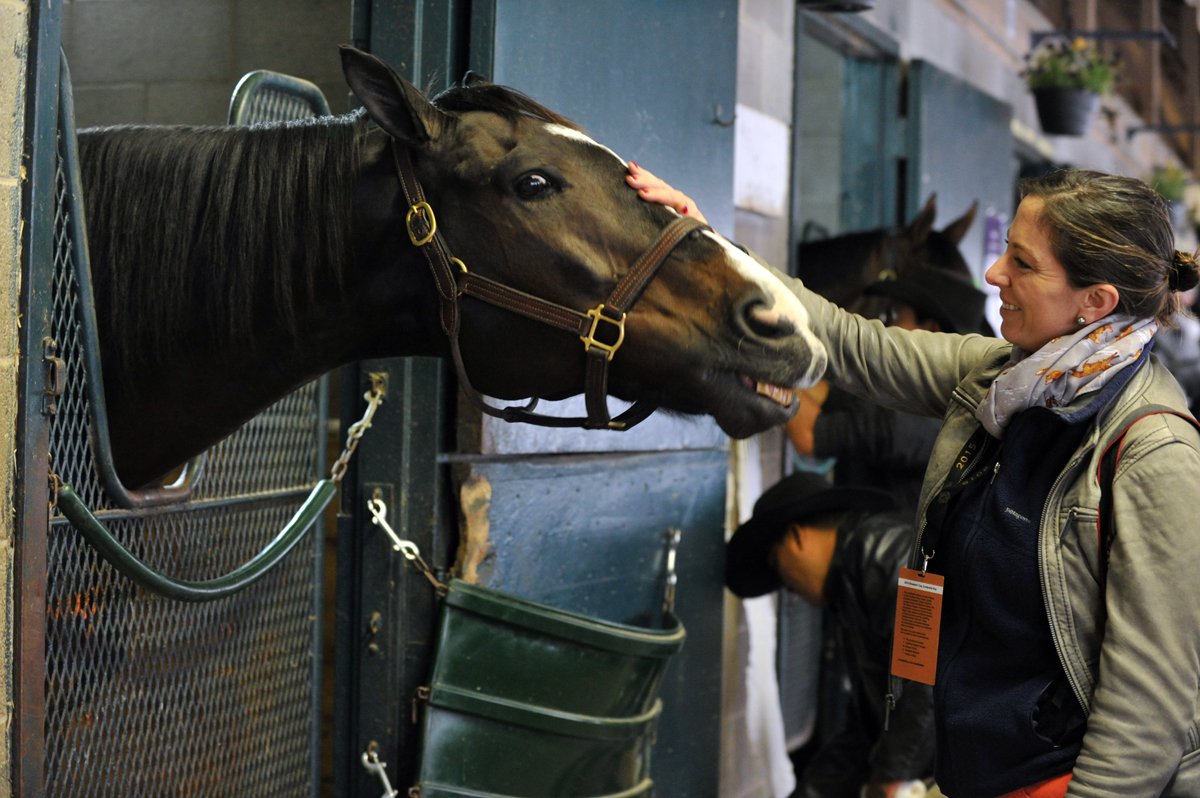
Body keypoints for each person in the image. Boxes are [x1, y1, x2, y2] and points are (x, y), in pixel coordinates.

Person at [629, 163, 1200, 796]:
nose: (994, 275)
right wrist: (710, 249)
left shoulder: (1155, 454)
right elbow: (851, 343)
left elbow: (1148, 713)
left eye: (1023, 263)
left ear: (1096, 303)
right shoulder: (1003, 379)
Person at [727, 471, 935, 798]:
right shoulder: (852, 586)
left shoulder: (895, 555)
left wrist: (892, 776)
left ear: (796, 537)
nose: (790, 591)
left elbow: (927, 680)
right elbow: (867, 728)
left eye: (776, 565)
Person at [788, 267, 989, 513]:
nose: (885, 324)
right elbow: (827, 395)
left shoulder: (917, 418)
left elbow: (809, 436)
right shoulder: (905, 389)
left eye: (894, 314)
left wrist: (771, 353)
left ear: (931, 330)